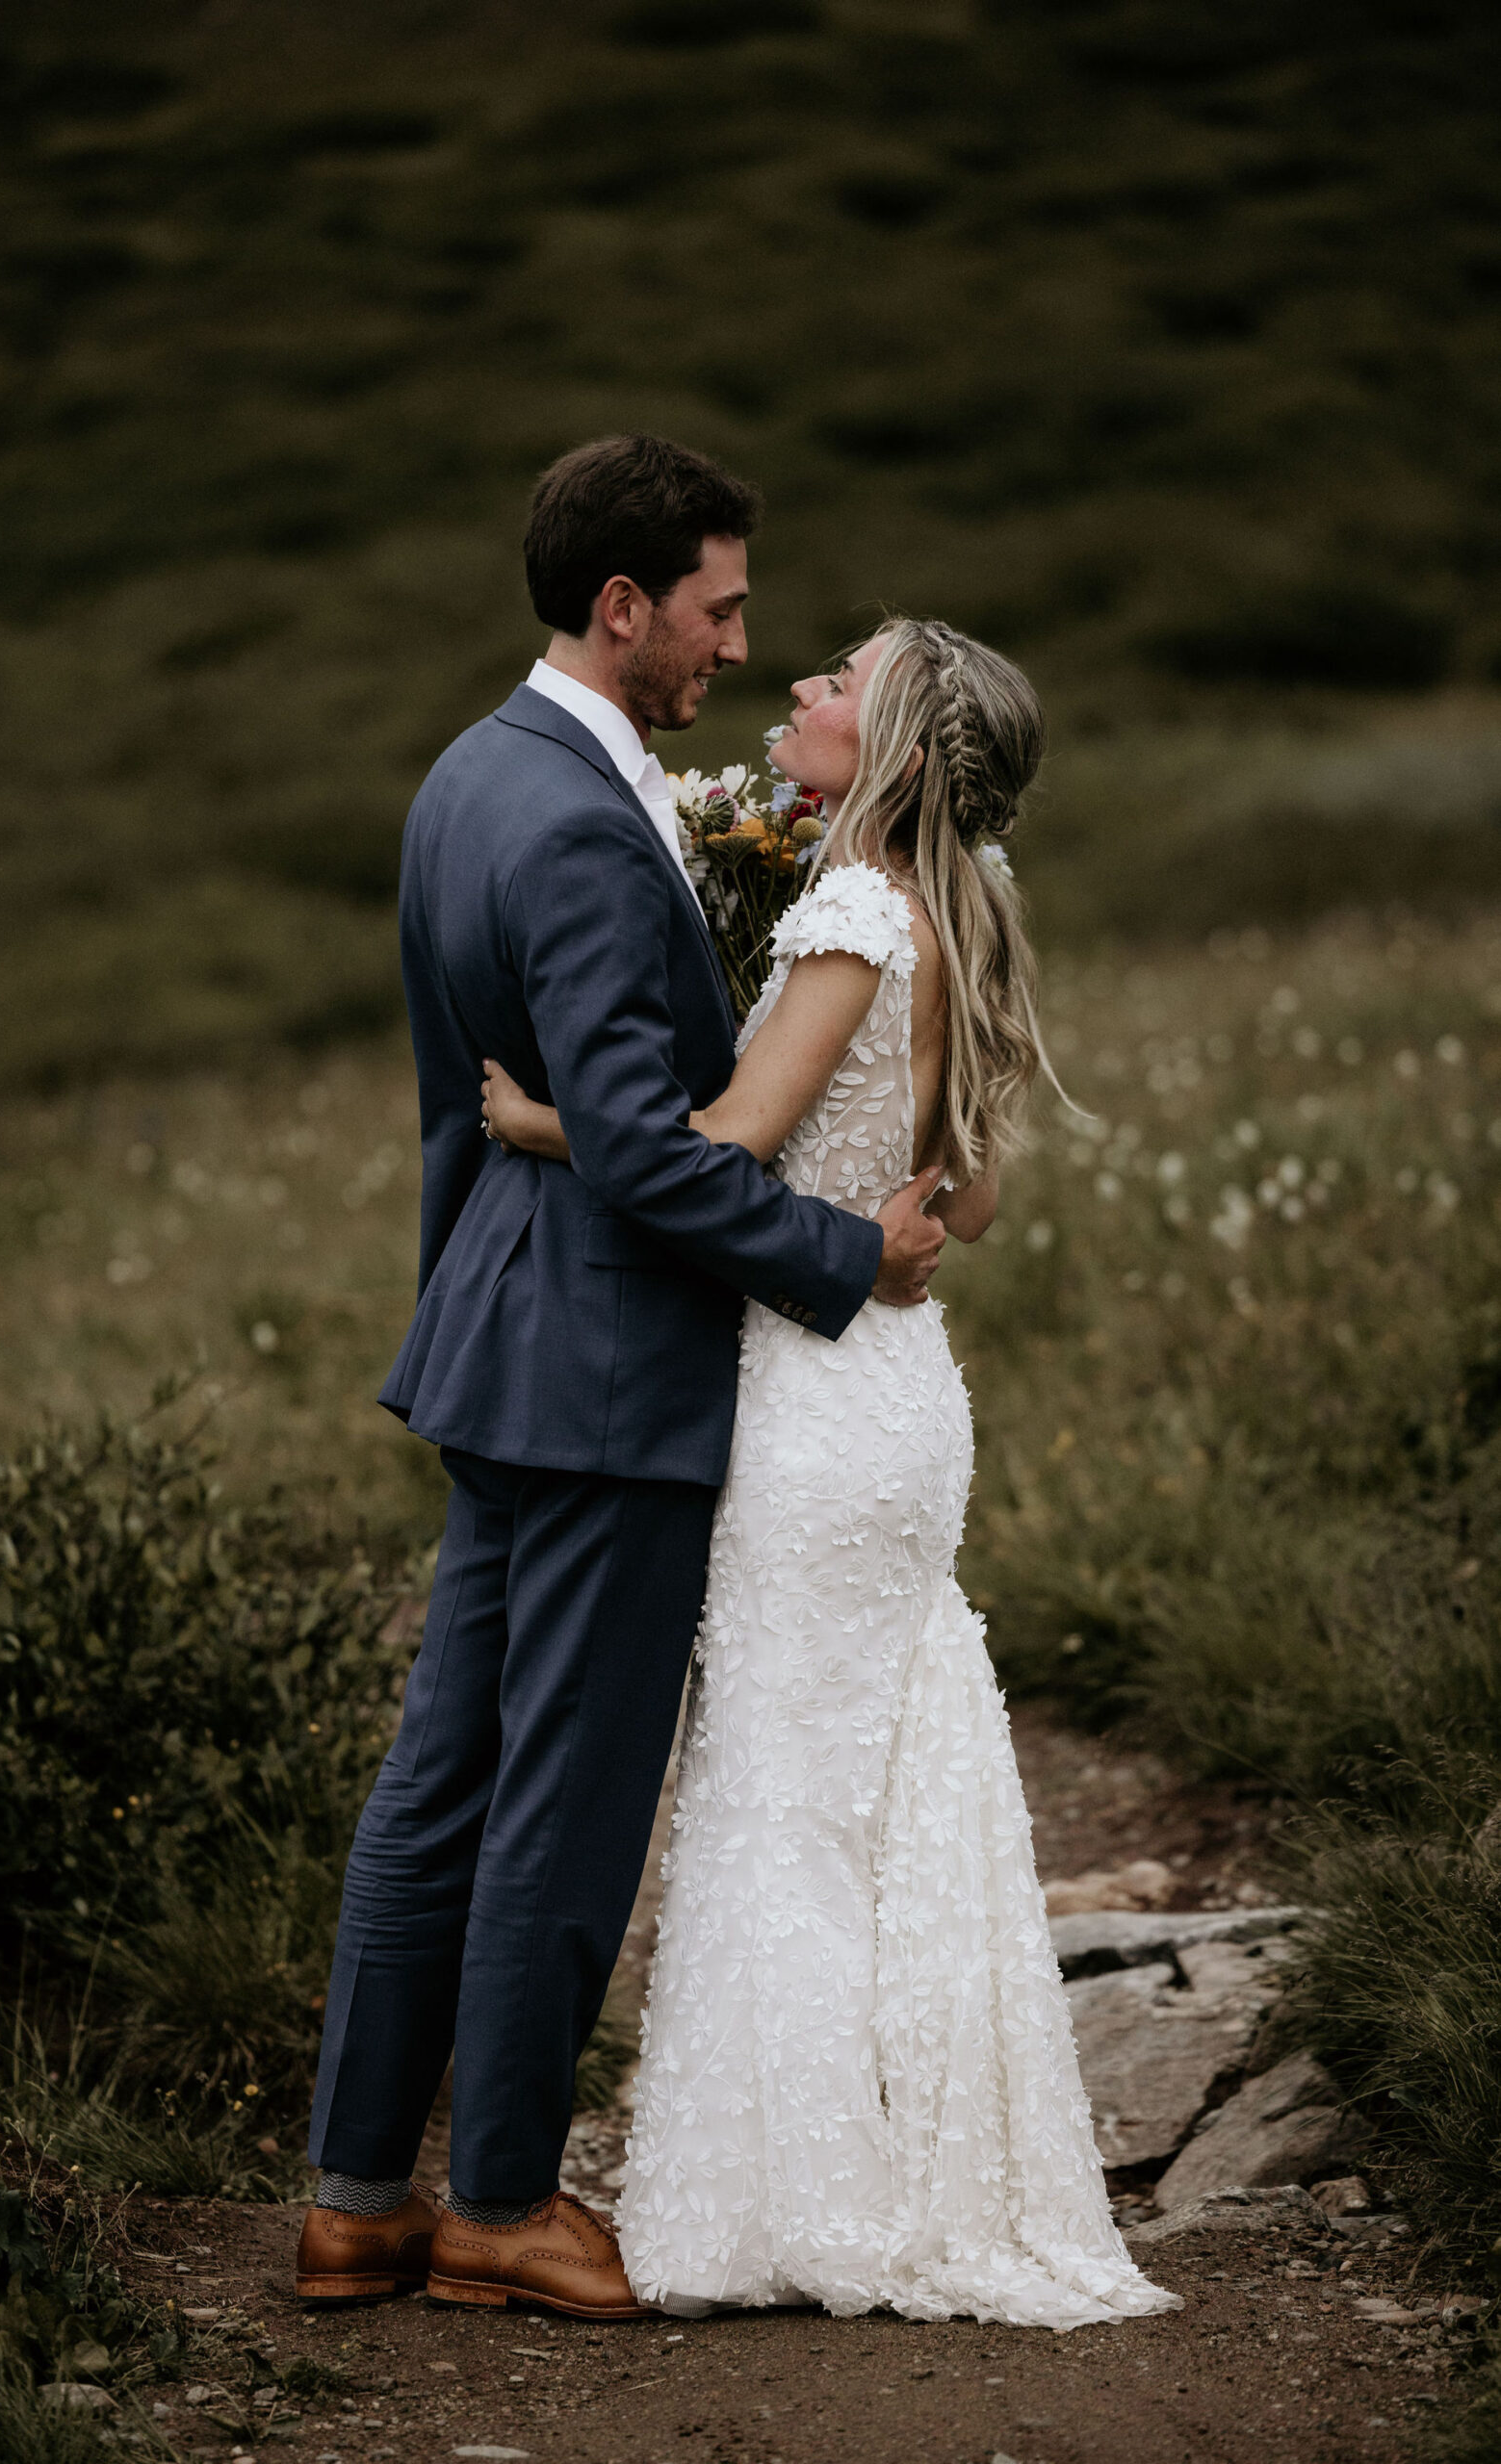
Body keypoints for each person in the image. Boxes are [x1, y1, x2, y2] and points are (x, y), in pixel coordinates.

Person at [294, 436, 947, 2318]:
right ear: (623, 604)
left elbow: (461, 1114)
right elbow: (652, 1153)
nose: (739, 646)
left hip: (502, 1332)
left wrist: (465, 1316)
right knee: (563, 1794)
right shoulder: (583, 820)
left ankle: (354, 2195)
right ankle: (496, 2199)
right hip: (603, 1367)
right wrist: (849, 1254)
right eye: (721, 607)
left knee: (440, 1775)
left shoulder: (464, 779)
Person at [482, 620, 1179, 2329]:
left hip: (807, 1395)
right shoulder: (957, 912)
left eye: (838, 683)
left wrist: (549, 1126)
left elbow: (714, 1147)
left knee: (786, 1795)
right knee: (886, 1778)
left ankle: (797, 2204)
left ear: (900, 751)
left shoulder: (862, 906)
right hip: (903, 1398)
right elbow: (978, 1206)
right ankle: (919, 2164)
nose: (796, 686)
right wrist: (876, 1191)